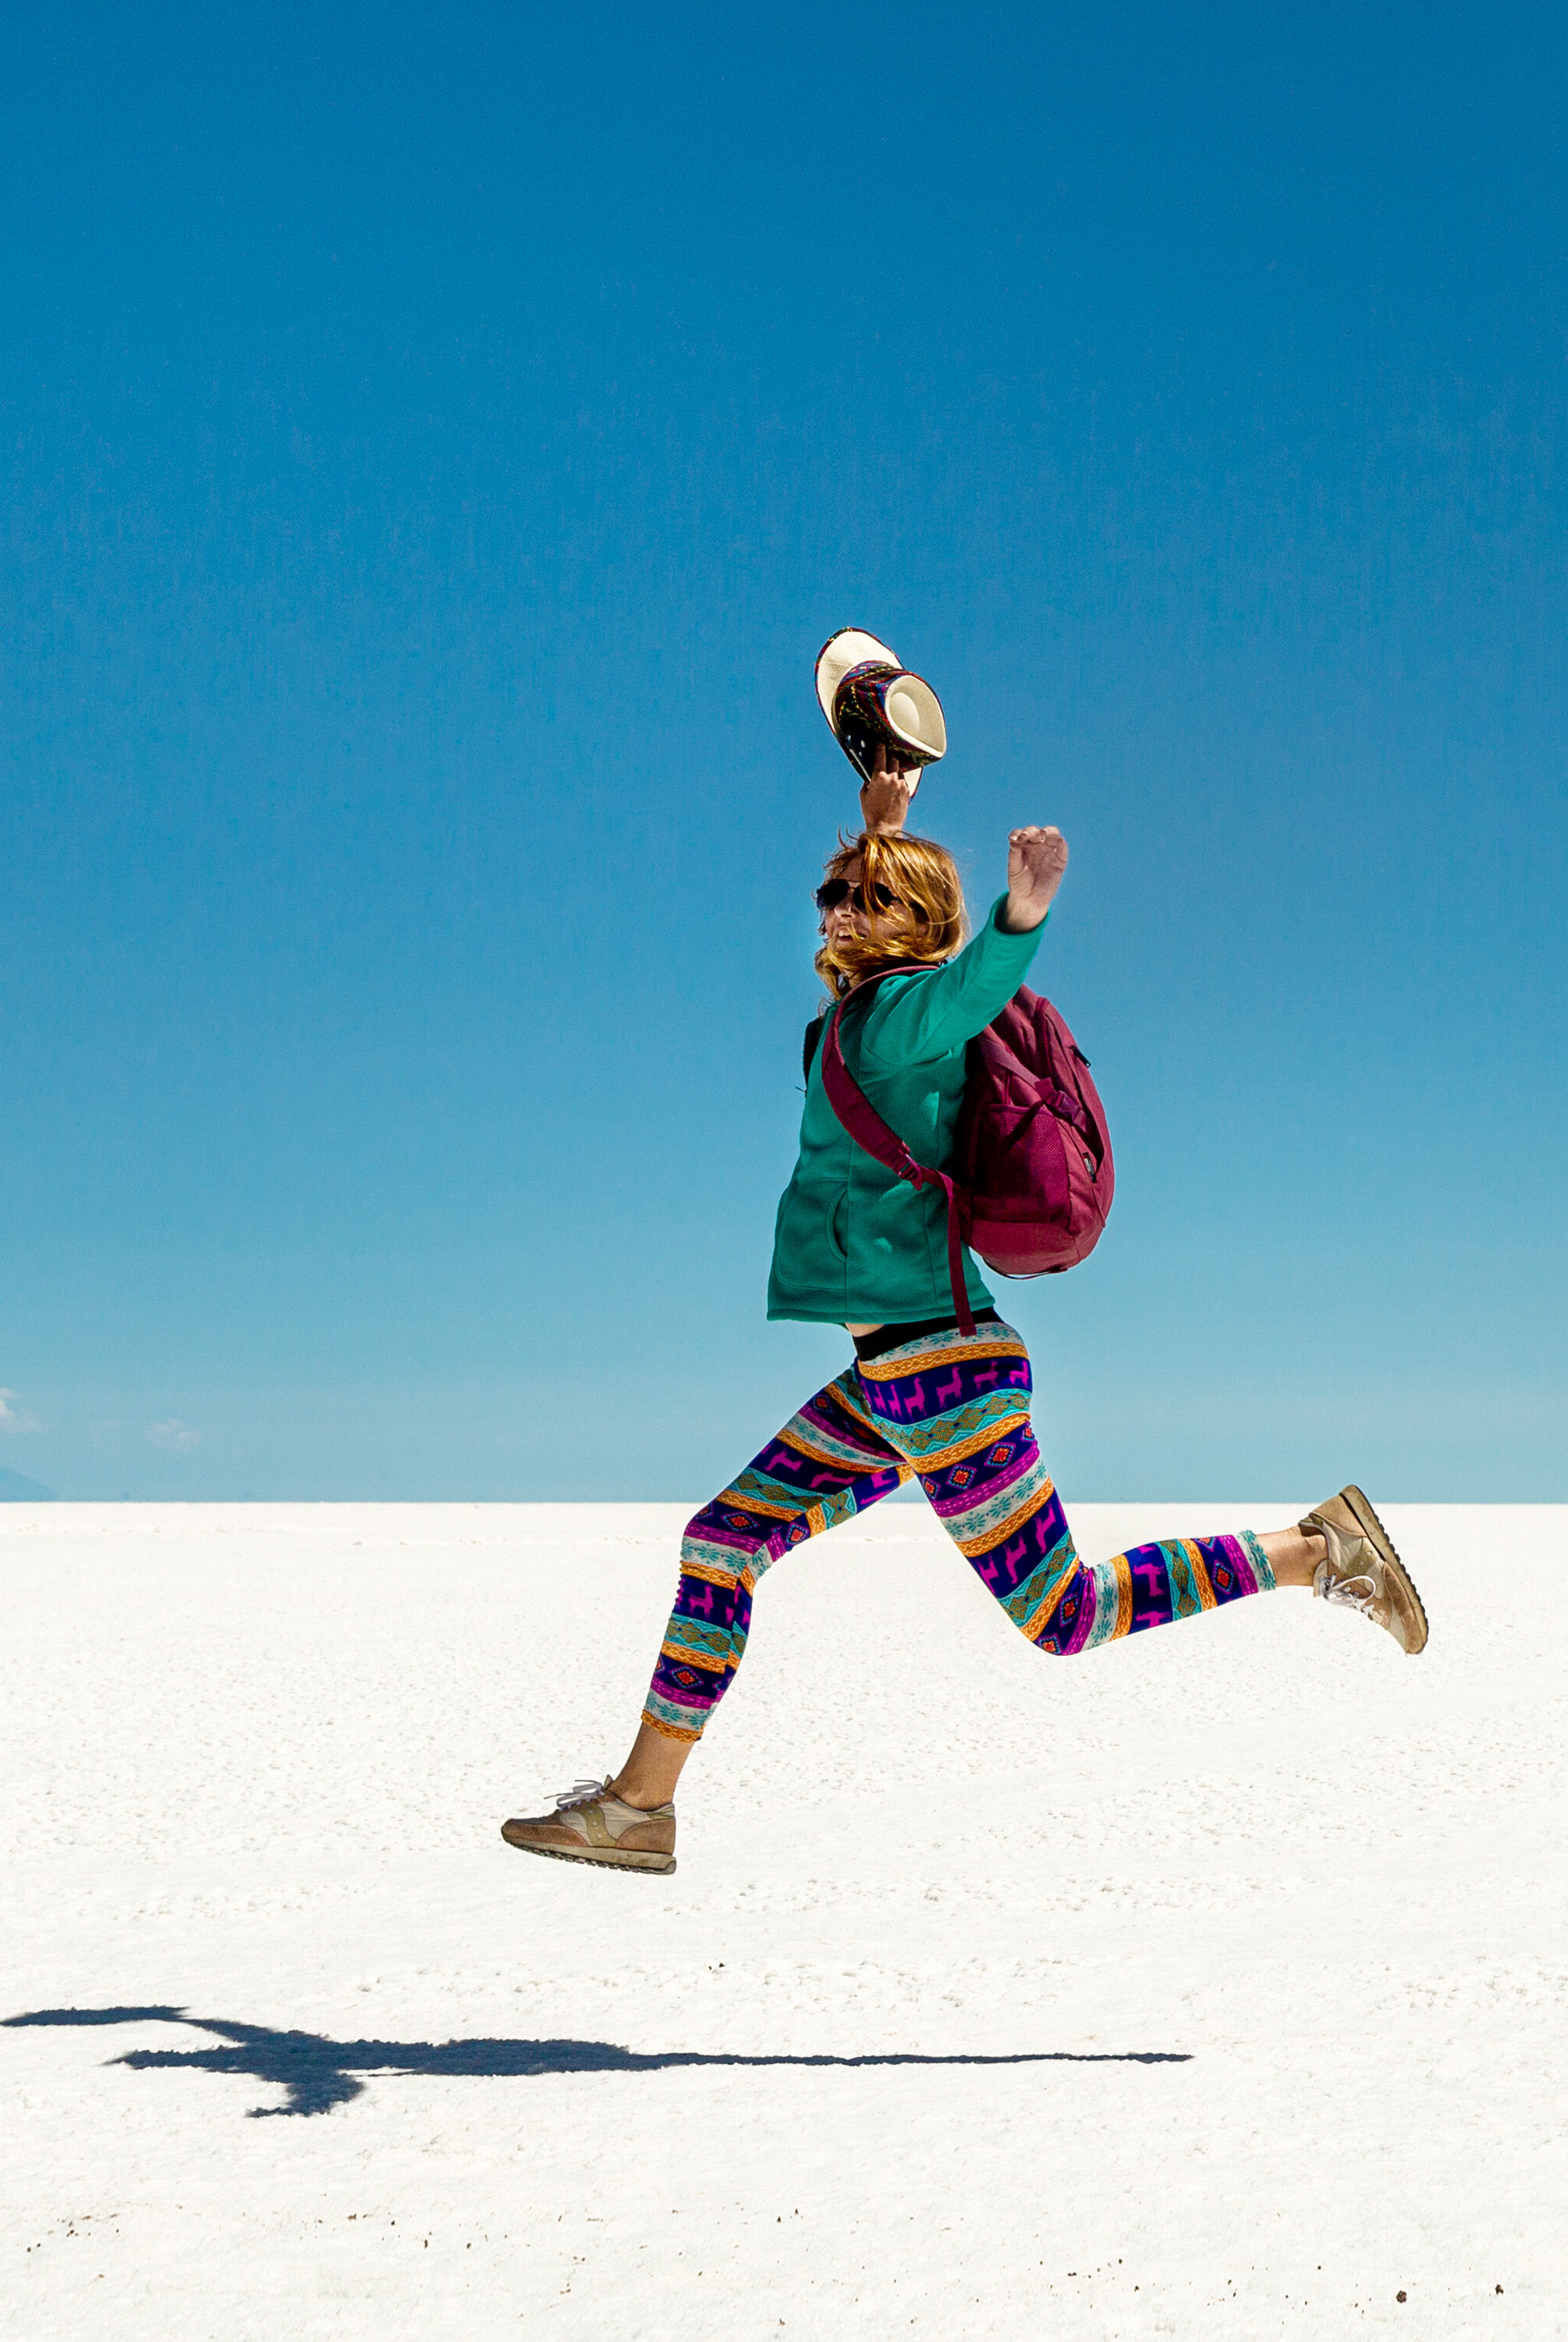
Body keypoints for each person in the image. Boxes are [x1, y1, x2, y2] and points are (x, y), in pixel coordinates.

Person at [500, 764, 1428, 1876]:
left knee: (1065, 1614)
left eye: (866, 898)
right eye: (833, 894)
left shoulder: (902, 1020)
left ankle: (1317, 1550)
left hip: (941, 1380)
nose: (838, 909)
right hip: (895, 1385)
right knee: (722, 1542)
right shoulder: (856, 1024)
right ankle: (639, 1807)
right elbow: (906, 968)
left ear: (914, 929)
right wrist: (879, 832)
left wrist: (1017, 917)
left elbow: (963, 986)